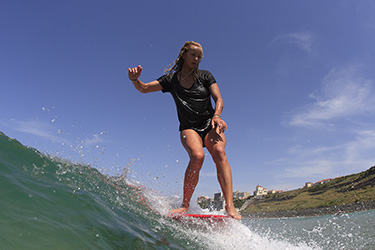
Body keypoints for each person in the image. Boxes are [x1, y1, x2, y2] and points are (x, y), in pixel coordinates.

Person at [128, 41, 241, 220]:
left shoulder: (205, 76)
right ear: (184, 54)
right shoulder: (171, 80)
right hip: (189, 127)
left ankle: (230, 206)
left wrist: (217, 115)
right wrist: (135, 79)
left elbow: (218, 98)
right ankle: (185, 206)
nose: (196, 59)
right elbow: (144, 89)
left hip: (210, 123)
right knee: (197, 156)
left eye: (199, 56)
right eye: (193, 55)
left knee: (219, 152)